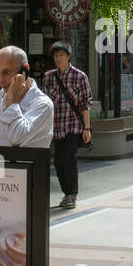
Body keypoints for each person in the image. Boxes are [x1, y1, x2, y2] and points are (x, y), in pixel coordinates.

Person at [0, 45, 67, 266]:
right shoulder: (3, 95)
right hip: (0, 183)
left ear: (24, 72)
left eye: (7, 73)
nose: (1, 80)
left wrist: (12, 102)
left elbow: (17, 138)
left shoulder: (42, 104)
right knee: (4, 248)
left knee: (22, 250)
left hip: (28, 186)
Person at [43, 41, 92, 209]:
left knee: (68, 158)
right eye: (56, 56)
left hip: (74, 124)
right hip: (56, 126)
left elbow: (85, 104)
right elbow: (44, 103)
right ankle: (66, 192)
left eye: (61, 55)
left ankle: (72, 193)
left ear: (68, 56)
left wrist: (87, 128)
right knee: (57, 161)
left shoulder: (80, 76)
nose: (58, 58)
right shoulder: (49, 77)